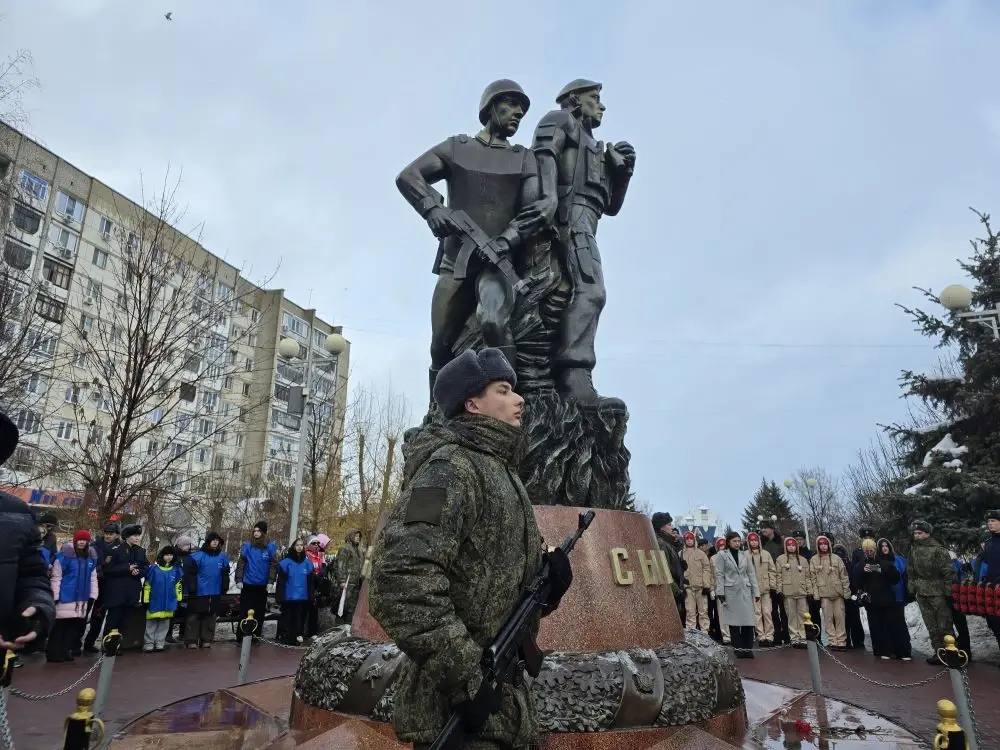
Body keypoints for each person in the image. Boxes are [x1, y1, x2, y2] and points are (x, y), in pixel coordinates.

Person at [370, 348, 572, 749]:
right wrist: (467, 677)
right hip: (457, 714)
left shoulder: (502, 473)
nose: (519, 399)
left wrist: (549, 586)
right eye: (503, 390)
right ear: (472, 403)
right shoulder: (445, 470)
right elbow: (400, 581)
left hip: (502, 711)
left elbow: (490, 587)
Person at [396, 80, 545, 395]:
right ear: (490, 107)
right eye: (511, 104)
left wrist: (505, 242)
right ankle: (438, 410)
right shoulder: (457, 147)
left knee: (492, 320)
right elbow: (409, 176)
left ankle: (509, 399)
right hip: (456, 261)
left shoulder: (524, 158)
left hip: (498, 261)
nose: (518, 112)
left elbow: (532, 212)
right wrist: (432, 210)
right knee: (439, 345)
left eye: (523, 109)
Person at [531, 79, 635, 408]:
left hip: (589, 221)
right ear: (575, 100)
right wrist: (548, 200)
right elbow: (543, 155)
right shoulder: (560, 120)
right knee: (592, 290)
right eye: (594, 99)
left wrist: (623, 173)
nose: (601, 105)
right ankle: (574, 375)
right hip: (569, 218)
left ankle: (569, 374)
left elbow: (612, 207)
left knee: (579, 291)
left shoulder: (597, 146)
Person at [907, 520, 955, 663]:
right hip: (922, 592)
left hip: (937, 592)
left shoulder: (938, 549)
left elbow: (948, 572)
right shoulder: (913, 549)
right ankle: (939, 652)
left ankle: (951, 652)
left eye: (920, 533)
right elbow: (910, 570)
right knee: (931, 625)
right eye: (915, 533)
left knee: (944, 624)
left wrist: (948, 592)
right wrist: (912, 587)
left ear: (927, 533)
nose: (917, 535)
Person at [46, 531, 98, 663]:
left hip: (81, 598)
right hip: (65, 596)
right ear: (75, 541)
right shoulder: (64, 557)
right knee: (59, 627)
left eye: (84, 540)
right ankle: (54, 653)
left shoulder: (90, 558)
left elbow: (93, 578)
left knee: (73, 627)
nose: (82, 542)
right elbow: (56, 577)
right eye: (79, 540)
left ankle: (65, 651)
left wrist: (93, 594)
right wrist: (55, 595)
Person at [852, 539, 901, 660]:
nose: (868, 552)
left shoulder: (883, 562)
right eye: (866, 550)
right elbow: (856, 582)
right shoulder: (861, 564)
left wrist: (879, 569)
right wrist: (862, 572)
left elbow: (895, 578)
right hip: (871, 600)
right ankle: (878, 649)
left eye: (871, 550)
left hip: (885, 598)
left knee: (887, 625)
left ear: (875, 549)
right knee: (874, 626)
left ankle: (890, 649)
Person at [714, 532, 759, 658]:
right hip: (731, 591)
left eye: (739, 541)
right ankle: (738, 649)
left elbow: (751, 574)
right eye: (734, 541)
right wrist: (720, 592)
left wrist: (756, 592)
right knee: (734, 622)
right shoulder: (722, 555)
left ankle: (748, 649)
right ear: (728, 542)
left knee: (748, 621)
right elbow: (719, 574)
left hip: (745, 590)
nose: (737, 543)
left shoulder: (744, 555)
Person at [183, 532, 230, 649]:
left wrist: (225, 586)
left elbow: (225, 574)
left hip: (215, 591)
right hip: (199, 591)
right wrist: (192, 587)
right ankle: (191, 639)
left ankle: (206, 638)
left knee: (210, 615)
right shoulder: (197, 556)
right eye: (212, 540)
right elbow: (189, 573)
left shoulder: (223, 557)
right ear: (208, 541)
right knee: (194, 615)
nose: (215, 542)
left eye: (217, 540)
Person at [100, 524, 148, 639]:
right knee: (113, 620)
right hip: (117, 592)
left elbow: (146, 568)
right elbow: (107, 569)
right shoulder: (115, 550)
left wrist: (139, 572)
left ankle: (118, 645)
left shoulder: (141, 551)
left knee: (125, 621)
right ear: (127, 536)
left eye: (138, 536)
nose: (137, 538)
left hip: (132, 593)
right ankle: (107, 645)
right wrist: (127, 568)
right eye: (134, 535)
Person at [235, 521, 277, 641]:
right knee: (245, 611)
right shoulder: (247, 546)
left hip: (262, 586)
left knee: (259, 612)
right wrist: (239, 579)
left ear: (263, 532)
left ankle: (256, 635)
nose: (256, 533)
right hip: (248, 584)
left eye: (259, 531)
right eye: (255, 530)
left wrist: (270, 581)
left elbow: (274, 564)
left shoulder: (270, 547)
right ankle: (241, 635)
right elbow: (241, 563)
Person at [81, 522, 118, 654]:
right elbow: (90, 562)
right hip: (93, 583)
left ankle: (90, 642)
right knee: (84, 613)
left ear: (116, 535)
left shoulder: (118, 547)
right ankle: (75, 642)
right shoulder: (95, 545)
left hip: (107, 585)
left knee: (98, 615)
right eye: (106, 533)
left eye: (111, 534)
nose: (108, 536)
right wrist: (104, 563)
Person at [809, 535, 850, 650]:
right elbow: (813, 579)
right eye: (821, 544)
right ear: (818, 546)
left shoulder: (836, 558)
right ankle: (832, 641)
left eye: (825, 543)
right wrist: (816, 594)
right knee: (828, 618)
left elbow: (844, 576)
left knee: (840, 617)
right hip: (824, 594)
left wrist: (846, 591)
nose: (823, 546)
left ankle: (841, 641)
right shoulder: (814, 560)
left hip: (838, 593)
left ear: (829, 545)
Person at [142, 546, 183, 652]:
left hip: (169, 601)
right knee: (151, 624)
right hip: (155, 601)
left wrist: (178, 599)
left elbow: (178, 585)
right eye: (166, 555)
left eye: (171, 555)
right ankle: (149, 643)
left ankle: (160, 643)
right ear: (162, 555)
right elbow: (147, 585)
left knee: (164, 624)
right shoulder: (154, 569)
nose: (169, 557)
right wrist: (146, 599)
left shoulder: (176, 570)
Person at [277, 538, 314, 644]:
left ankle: (296, 637)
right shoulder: (285, 563)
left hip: (301, 597)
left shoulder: (307, 563)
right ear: (293, 546)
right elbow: (281, 582)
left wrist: (310, 595)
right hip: (288, 596)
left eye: (301, 545)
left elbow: (310, 582)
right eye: (297, 545)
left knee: (298, 619)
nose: (299, 547)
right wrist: (280, 596)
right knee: (287, 617)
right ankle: (285, 637)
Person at [775, 537, 810, 647]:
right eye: (789, 545)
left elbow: (808, 577)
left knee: (804, 615)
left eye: (793, 545)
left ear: (796, 546)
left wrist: (810, 591)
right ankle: (794, 638)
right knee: (791, 616)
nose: (791, 547)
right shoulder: (780, 559)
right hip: (788, 592)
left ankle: (804, 637)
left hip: (802, 592)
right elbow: (778, 576)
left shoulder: (803, 560)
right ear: (786, 546)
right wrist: (779, 590)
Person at [759, 522, 789, 644]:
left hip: (782, 577)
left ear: (772, 529)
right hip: (768, 579)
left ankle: (786, 634)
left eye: (765, 527)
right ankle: (776, 634)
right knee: (771, 610)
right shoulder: (762, 543)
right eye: (762, 528)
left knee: (784, 609)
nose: (763, 530)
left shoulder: (781, 542)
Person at [652, 512, 685, 617]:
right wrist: (677, 592)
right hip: (669, 594)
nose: (672, 527)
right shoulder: (661, 544)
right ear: (661, 527)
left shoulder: (668, 543)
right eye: (669, 524)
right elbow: (662, 570)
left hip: (672, 591)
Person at [833, 540, 864, 650]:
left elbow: (854, 579)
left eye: (841, 551)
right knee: (842, 620)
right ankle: (846, 641)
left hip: (851, 595)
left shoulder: (850, 564)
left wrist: (856, 593)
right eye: (837, 552)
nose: (839, 554)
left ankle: (858, 642)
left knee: (855, 620)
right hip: (838, 596)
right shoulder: (833, 566)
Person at [747, 532, 777, 646]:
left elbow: (772, 571)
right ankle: (761, 636)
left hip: (765, 588)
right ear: (748, 542)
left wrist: (773, 586)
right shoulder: (745, 555)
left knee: (767, 612)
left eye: (755, 540)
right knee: (757, 613)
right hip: (752, 590)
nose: (754, 542)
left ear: (758, 541)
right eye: (751, 540)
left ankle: (769, 636)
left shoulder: (766, 554)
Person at [679, 531, 711, 632]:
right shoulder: (680, 554)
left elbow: (706, 569)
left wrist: (706, 585)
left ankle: (705, 632)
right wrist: (681, 586)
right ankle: (691, 632)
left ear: (694, 539)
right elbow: (678, 571)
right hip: (688, 587)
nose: (689, 540)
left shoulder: (701, 553)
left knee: (703, 611)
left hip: (700, 587)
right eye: (687, 539)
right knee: (690, 611)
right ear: (684, 540)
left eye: (691, 538)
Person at [979, 509, 1000, 649]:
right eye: (988, 521)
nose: (990, 524)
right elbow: (984, 565)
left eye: (993, 521)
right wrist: (982, 580)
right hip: (992, 589)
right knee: (994, 623)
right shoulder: (988, 543)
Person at [334, 529, 364, 625]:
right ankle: (338, 629)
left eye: (359, 536)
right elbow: (340, 565)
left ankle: (348, 629)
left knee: (351, 608)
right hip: (346, 583)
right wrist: (342, 581)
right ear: (350, 536)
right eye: (356, 536)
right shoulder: (345, 548)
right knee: (343, 607)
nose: (358, 538)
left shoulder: (358, 551)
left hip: (355, 583)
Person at [168, 535, 194, 644]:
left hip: (186, 588)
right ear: (180, 545)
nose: (188, 547)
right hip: (174, 587)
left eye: (189, 545)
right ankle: (168, 634)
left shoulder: (190, 558)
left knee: (185, 611)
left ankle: (182, 633)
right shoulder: (173, 556)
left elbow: (193, 572)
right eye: (186, 545)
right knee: (172, 611)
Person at [950, 553, 974, 659]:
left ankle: (959, 651)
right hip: (958, 597)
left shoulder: (953, 563)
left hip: (951, 597)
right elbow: (962, 578)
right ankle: (965, 651)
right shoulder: (956, 562)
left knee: (953, 626)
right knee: (961, 626)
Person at [700, 538, 722, 641]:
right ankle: (710, 630)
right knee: (707, 610)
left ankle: (717, 630)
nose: (702, 547)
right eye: (700, 546)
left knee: (717, 611)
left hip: (714, 586)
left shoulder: (712, 554)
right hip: (707, 586)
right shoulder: (701, 555)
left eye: (703, 545)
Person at [713, 537, 731, 643]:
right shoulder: (713, 559)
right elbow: (711, 575)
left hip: (732, 588)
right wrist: (711, 588)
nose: (722, 549)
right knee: (722, 613)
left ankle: (735, 634)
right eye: (720, 547)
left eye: (724, 546)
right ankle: (726, 635)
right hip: (719, 588)